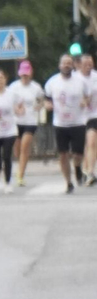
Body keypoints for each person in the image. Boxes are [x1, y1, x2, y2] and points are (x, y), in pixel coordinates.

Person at [45, 53, 86, 194]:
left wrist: (84, 102)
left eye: (69, 63)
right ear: (59, 65)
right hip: (60, 124)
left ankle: (77, 167)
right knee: (63, 154)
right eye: (64, 63)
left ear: (72, 65)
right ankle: (68, 182)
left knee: (78, 154)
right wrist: (47, 105)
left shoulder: (80, 81)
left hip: (78, 122)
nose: (66, 65)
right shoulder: (52, 82)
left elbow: (88, 96)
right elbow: (46, 99)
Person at [9, 60, 44, 188]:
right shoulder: (13, 87)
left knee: (25, 146)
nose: (25, 77)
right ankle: (20, 165)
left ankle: (20, 175)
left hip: (30, 121)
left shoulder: (36, 87)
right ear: (20, 74)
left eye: (27, 74)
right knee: (17, 149)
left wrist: (38, 106)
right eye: (23, 74)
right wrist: (16, 109)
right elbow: (9, 103)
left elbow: (41, 102)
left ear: (30, 74)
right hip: (17, 121)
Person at [81, 52, 97, 186]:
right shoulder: (75, 79)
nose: (88, 66)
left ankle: (91, 172)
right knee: (85, 145)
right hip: (79, 117)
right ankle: (85, 169)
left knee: (92, 142)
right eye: (85, 64)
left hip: (94, 115)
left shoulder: (96, 77)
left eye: (90, 64)